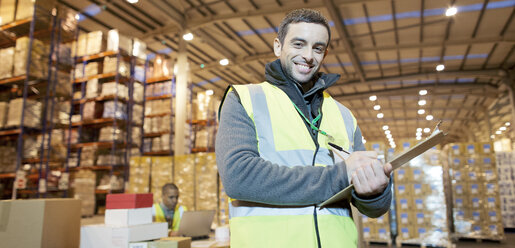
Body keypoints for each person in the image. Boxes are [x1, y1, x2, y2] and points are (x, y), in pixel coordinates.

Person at [215, 8, 393, 248]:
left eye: (318, 48)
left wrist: (376, 190)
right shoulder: (244, 99)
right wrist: (340, 175)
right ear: (278, 46)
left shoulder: (344, 115)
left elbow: (373, 209)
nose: (308, 56)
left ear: (325, 53)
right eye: (299, 44)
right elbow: (239, 177)